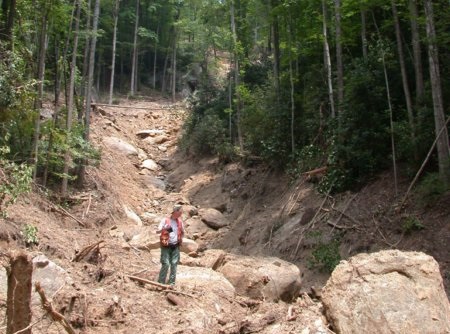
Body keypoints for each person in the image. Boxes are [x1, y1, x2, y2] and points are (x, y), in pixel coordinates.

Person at [156, 204, 184, 286]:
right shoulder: (165, 220)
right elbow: (157, 231)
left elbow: (182, 232)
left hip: (175, 246)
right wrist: (164, 228)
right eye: (180, 211)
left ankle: (171, 283)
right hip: (166, 245)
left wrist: (180, 238)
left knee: (174, 264)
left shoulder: (180, 222)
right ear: (175, 211)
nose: (181, 213)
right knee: (166, 263)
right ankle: (161, 282)